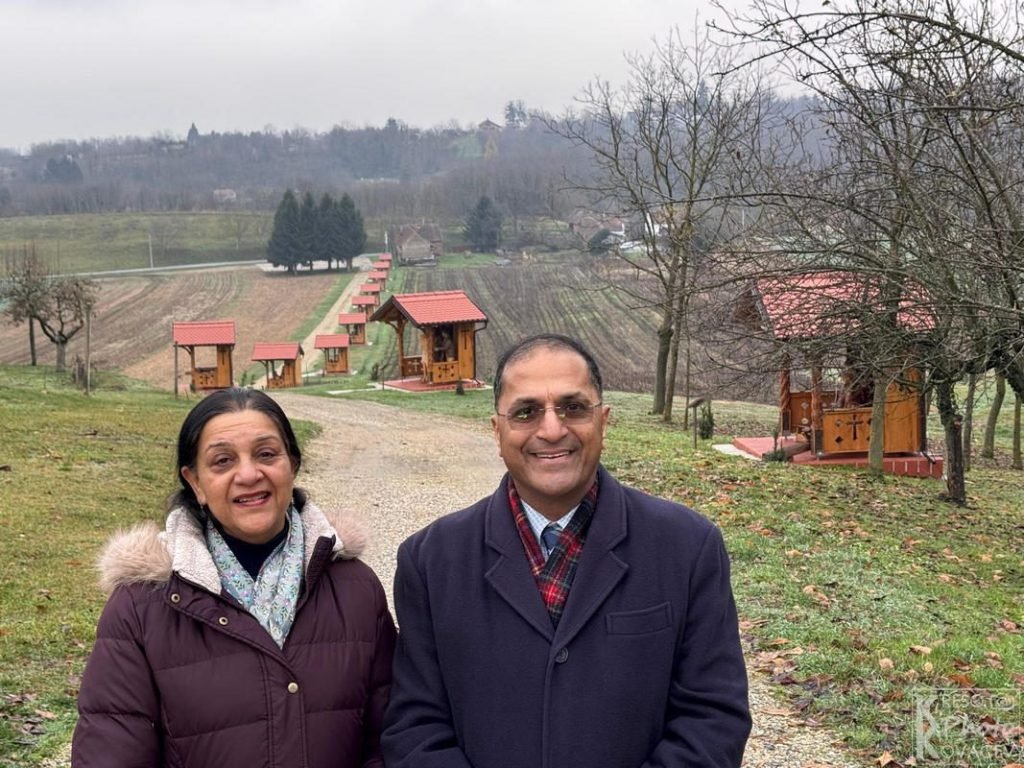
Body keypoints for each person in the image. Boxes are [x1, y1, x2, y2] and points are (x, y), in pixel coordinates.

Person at [382, 333, 751, 768]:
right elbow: (416, 727)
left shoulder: (687, 547)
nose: (552, 429)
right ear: (497, 431)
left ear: (603, 420)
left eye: (573, 408)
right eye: (526, 412)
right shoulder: (430, 561)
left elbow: (713, 719)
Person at [72, 388, 396, 768]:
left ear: (292, 465)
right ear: (195, 483)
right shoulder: (140, 608)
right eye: (223, 461)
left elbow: (388, 739)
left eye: (266, 454)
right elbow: (111, 754)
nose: (248, 474)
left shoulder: (355, 589)